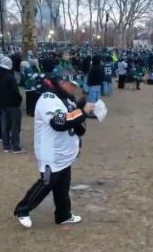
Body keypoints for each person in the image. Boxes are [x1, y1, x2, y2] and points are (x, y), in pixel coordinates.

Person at [13, 76, 95, 228]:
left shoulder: (67, 98)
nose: (75, 89)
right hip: (50, 152)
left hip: (63, 152)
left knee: (63, 185)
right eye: (72, 85)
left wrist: (82, 109)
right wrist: (81, 111)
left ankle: (63, 214)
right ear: (63, 83)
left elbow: (76, 123)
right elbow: (58, 122)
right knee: (47, 182)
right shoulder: (48, 98)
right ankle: (22, 209)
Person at [0, 54, 27, 153]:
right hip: (13, 104)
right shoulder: (10, 76)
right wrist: (19, 100)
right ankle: (15, 146)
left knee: (4, 125)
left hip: (3, 104)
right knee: (15, 126)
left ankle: (6, 146)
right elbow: (15, 91)